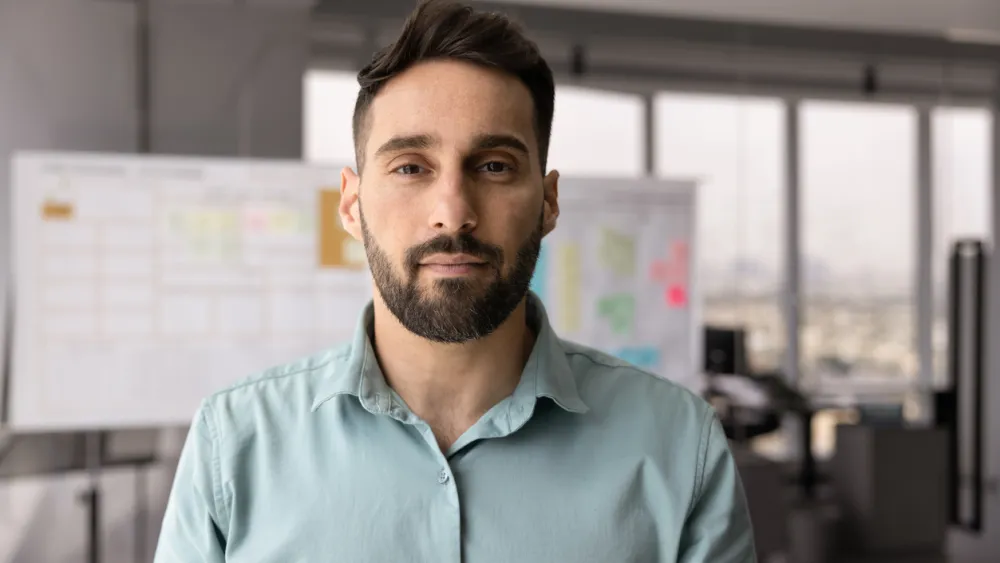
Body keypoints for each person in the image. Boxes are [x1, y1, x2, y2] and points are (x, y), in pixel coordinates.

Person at [153, 1, 756, 561]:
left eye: (494, 166)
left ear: (547, 203)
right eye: (411, 167)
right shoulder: (232, 446)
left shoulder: (680, 447)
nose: (452, 211)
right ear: (351, 205)